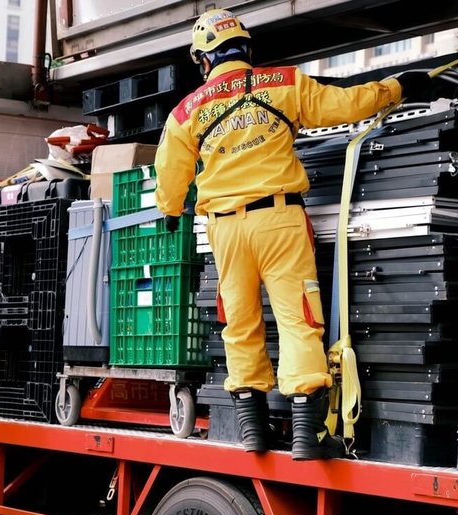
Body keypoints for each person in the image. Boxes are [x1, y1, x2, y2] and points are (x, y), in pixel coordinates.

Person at [154, 8, 433, 460]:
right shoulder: (285, 84)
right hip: (279, 220)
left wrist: (171, 210)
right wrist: (398, 86)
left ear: (203, 60)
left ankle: (253, 433)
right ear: (246, 50)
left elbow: (170, 172)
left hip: (225, 229)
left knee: (239, 324)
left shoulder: (187, 110)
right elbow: (348, 104)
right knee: (298, 319)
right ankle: (306, 435)